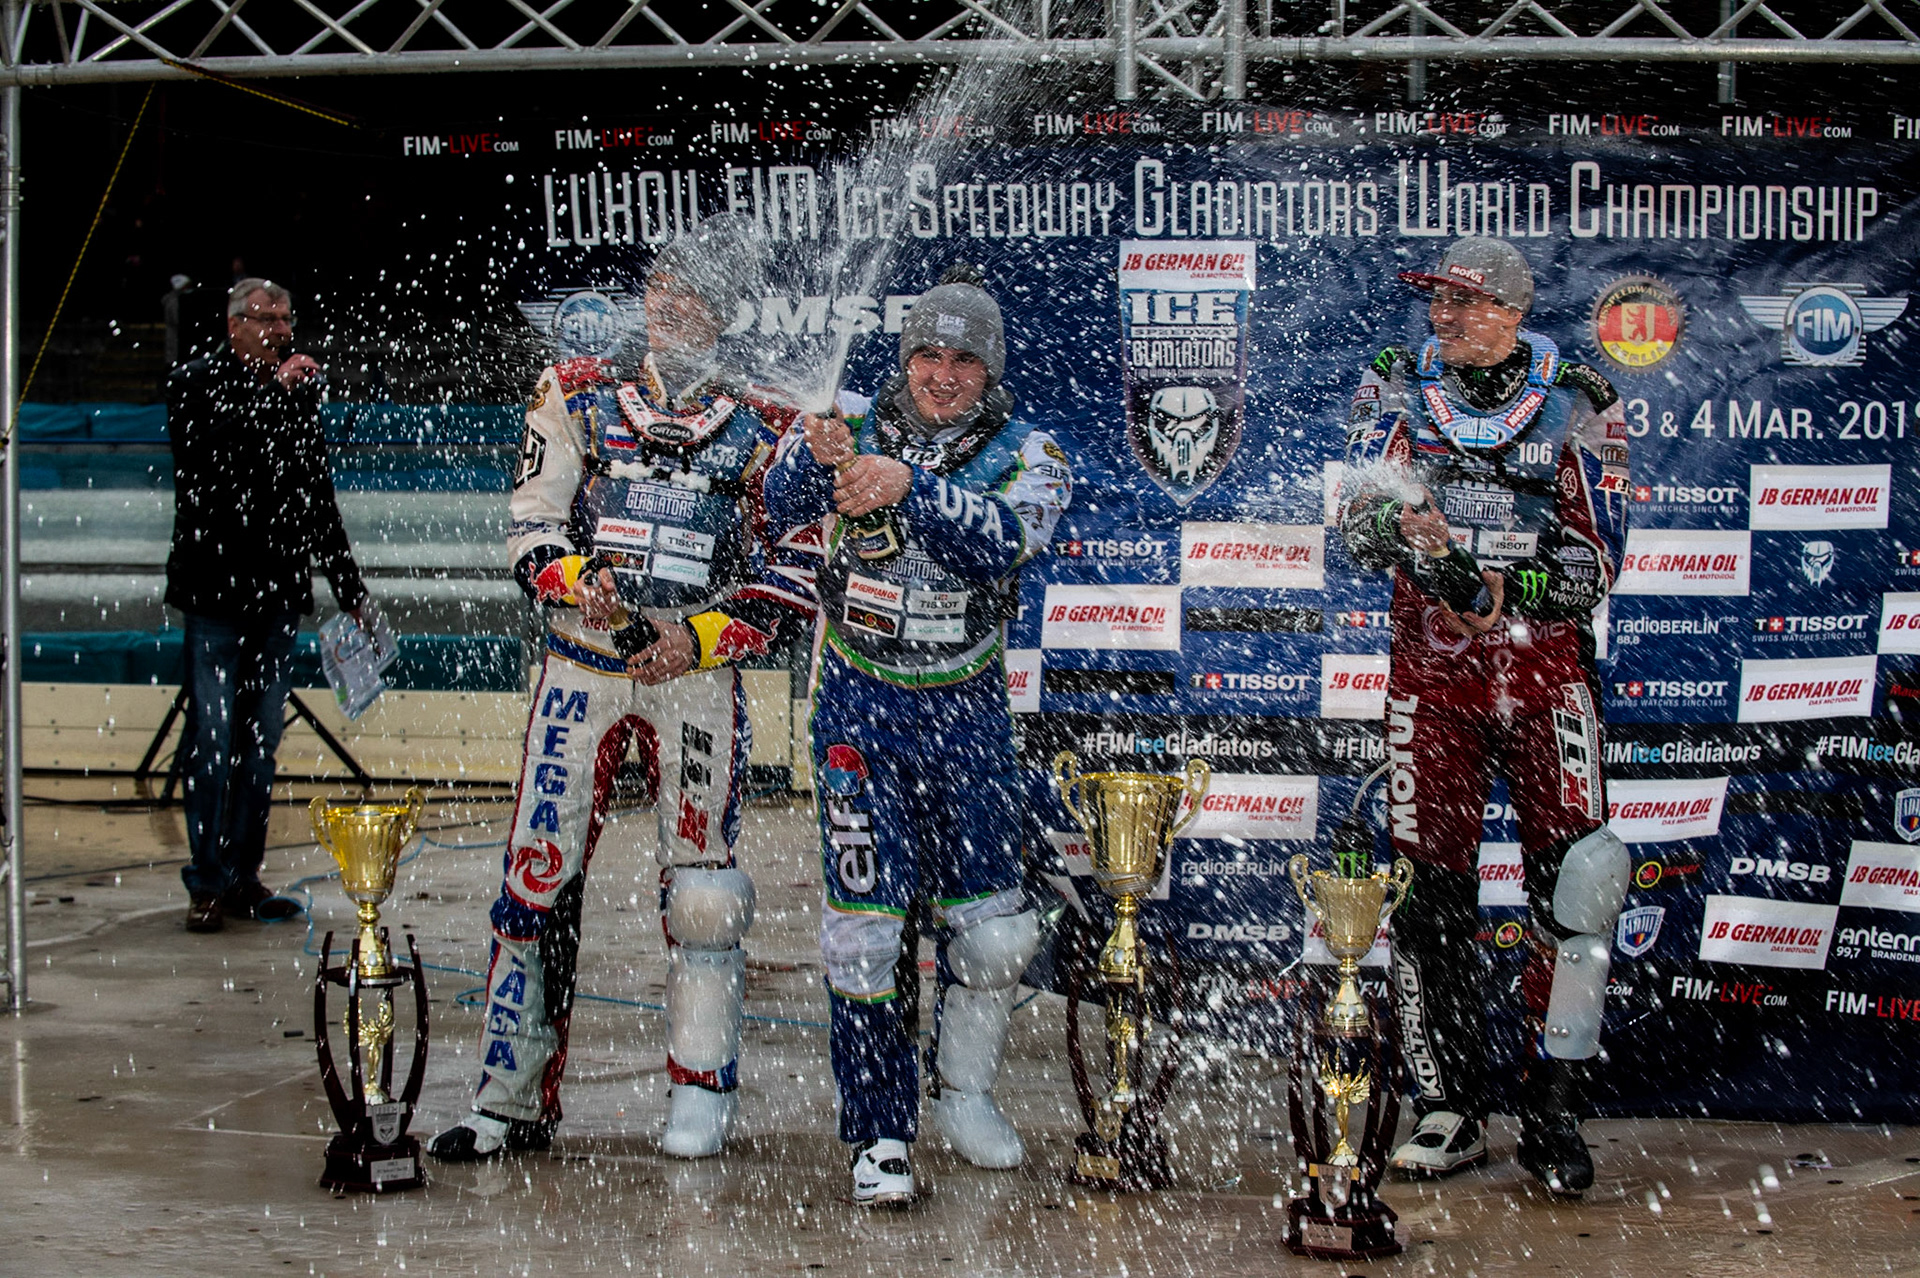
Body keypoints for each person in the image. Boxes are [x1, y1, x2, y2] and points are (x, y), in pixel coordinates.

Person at [429, 217, 816, 1164]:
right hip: (581, 667)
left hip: (697, 681)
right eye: (663, 289)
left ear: (725, 315)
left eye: (697, 295)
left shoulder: (772, 423)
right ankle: (510, 1100)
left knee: (706, 899)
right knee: (533, 879)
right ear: (647, 300)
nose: (676, 306)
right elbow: (527, 524)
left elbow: (796, 570)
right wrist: (573, 580)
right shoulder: (575, 392)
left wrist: (700, 636)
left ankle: (700, 1094)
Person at [763, 263, 1071, 1205]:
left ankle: (964, 1097)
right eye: (927, 355)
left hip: (968, 714)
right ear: (904, 358)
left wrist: (908, 488)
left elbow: (1003, 542)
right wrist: (812, 463)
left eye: (963, 361)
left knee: (992, 938)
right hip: (859, 709)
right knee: (865, 932)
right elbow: (774, 517)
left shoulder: (1033, 450)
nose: (941, 375)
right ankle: (878, 1131)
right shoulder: (844, 423)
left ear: (991, 370)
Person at [1336, 238, 1632, 1196]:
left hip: (1546, 679)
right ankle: (1448, 1105)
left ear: (1514, 312)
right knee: (1429, 896)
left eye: (1468, 305)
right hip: (1431, 682)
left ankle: (1555, 1104)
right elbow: (1353, 524)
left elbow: (1597, 562)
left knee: (1578, 891)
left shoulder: (1580, 399)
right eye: (1439, 304)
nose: (1448, 319)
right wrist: (1408, 538)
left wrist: (1509, 588)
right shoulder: (1392, 385)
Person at [166, 278, 366, 933]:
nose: (279, 330)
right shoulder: (198, 382)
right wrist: (271, 394)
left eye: (285, 318)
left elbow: (313, 490)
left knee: (259, 745)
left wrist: (349, 587)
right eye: (264, 319)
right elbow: (209, 458)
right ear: (233, 325)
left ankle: (243, 876)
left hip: (276, 594)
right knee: (213, 739)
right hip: (215, 593)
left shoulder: (292, 394)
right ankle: (206, 881)